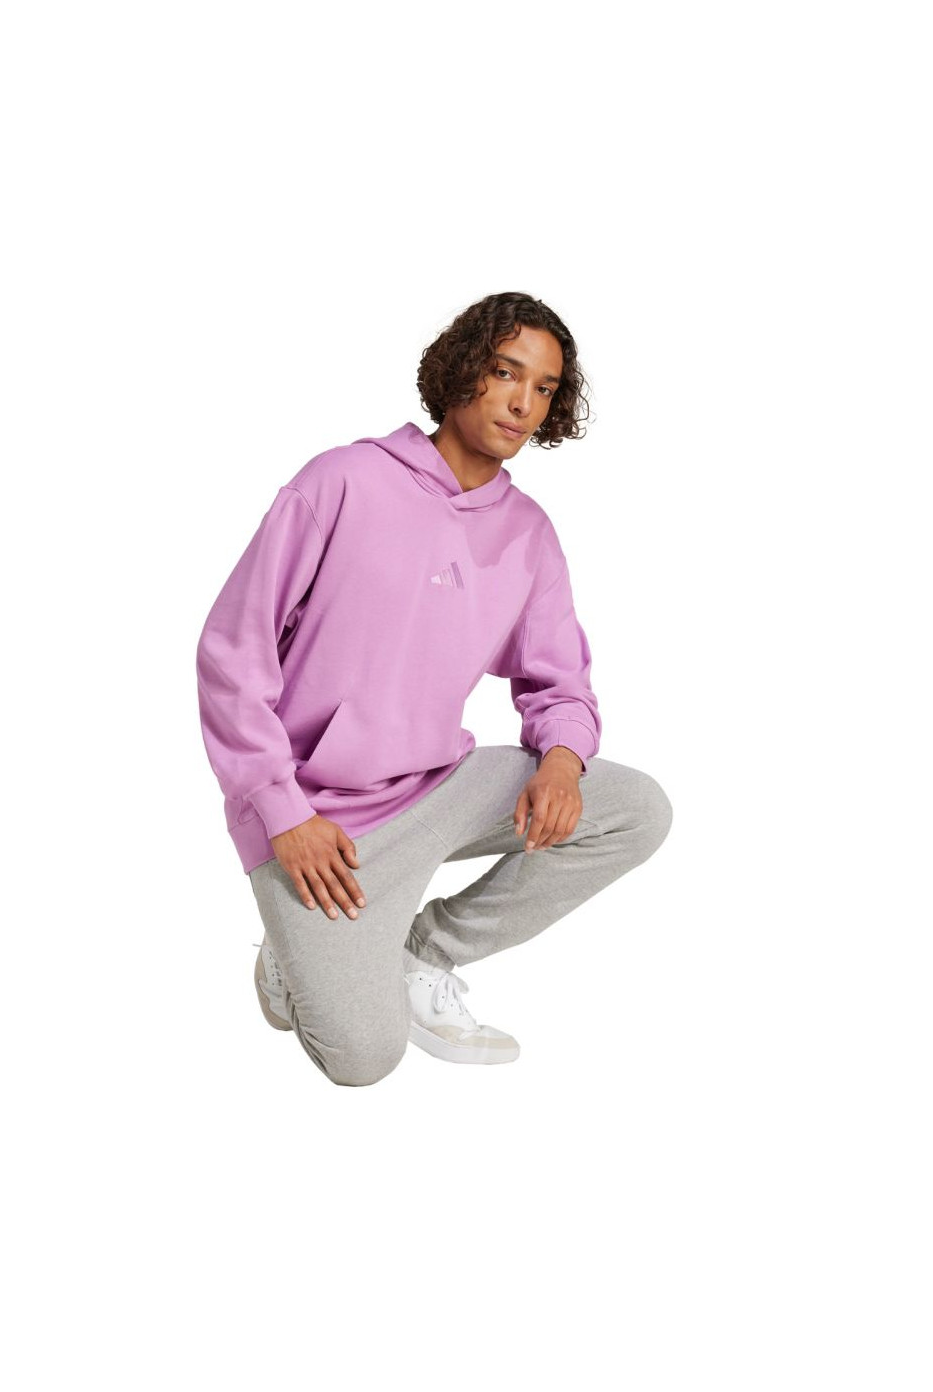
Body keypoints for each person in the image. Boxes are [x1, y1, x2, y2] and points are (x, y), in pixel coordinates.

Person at [196, 291, 672, 1087]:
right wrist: (283, 814)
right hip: (317, 824)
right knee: (363, 1060)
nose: (523, 403)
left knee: (636, 810)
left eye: (545, 387)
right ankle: (287, 960)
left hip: (435, 787)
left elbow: (560, 683)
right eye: (505, 373)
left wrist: (561, 762)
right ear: (462, 370)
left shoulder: (528, 535)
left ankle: (424, 950)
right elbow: (230, 655)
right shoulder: (342, 481)